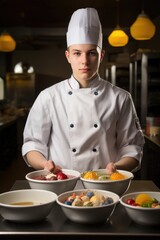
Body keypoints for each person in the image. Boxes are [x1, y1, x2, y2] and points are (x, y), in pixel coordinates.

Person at [22, 8, 145, 174]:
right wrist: (45, 165)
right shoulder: (48, 97)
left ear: (101, 56)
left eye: (92, 53)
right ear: (68, 56)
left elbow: (132, 146)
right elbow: (32, 144)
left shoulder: (120, 98)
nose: (84, 61)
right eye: (77, 53)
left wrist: (118, 167)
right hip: (61, 184)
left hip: (104, 186)